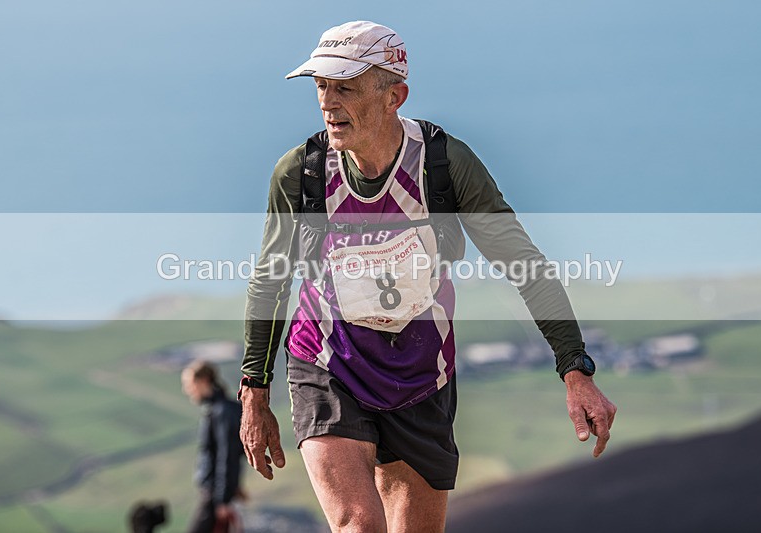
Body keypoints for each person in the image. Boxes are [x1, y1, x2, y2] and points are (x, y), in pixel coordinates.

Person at [239, 20, 617, 532]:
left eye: (345, 88)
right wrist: (253, 392)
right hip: (328, 361)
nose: (328, 102)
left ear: (395, 95)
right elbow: (270, 280)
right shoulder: (301, 173)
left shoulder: (443, 165)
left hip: (421, 372)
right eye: (321, 87)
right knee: (358, 523)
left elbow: (524, 264)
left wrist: (576, 369)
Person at [181, 360, 244, 533]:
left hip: (214, 495)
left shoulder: (221, 411)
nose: (186, 390)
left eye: (189, 384)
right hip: (215, 493)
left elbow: (227, 455)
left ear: (203, 381)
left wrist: (222, 500)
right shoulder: (217, 409)